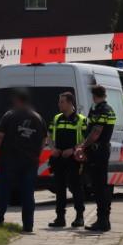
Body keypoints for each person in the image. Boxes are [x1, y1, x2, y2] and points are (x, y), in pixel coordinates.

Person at [0, 89, 46, 233]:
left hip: (10, 160)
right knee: (28, 193)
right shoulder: (38, 118)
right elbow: (44, 140)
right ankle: (28, 226)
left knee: (4, 191)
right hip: (30, 162)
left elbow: (0, 136)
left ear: (17, 101)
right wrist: (36, 154)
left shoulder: (10, 115)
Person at [46, 91, 86, 228]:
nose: (59, 104)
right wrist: (53, 149)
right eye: (59, 101)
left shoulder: (81, 119)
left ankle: (79, 217)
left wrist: (73, 149)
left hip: (73, 159)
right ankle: (60, 218)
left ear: (70, 103)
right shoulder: (57, 118)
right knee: (60, 189)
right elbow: (49, 134)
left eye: (62, 102)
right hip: (59, 159)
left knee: (76, 188)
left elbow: (86, 140)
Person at [81, 84, 117, 233]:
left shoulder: (104, 110)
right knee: (97, 185)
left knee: (100, 186)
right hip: (96, 151)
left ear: (94, 96)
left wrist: (83, 146)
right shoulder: (97, 109)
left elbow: (96, 131)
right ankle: (103, 219)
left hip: (99, 151)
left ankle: (103, 220)